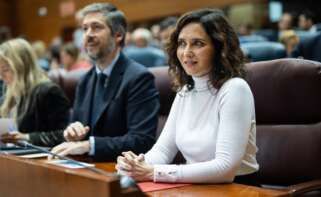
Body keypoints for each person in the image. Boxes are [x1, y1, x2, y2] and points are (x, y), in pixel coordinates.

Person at [116, 8, 259, 185]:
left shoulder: (236, 89)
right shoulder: (185, 91)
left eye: (198, 43)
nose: (186, 52)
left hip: (237, 188)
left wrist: (154, 172)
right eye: (182, 43)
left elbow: (225, 168)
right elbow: (163, 151)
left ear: (220, 48)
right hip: (195, 187)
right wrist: (136, 164)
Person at [50, 3, 160, 161]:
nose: (88, 35)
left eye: (96, 27)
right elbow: (76, 124)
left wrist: (89, 145)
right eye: (85, 28)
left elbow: (141, 141)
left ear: (118, 35)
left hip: (120, 172)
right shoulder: (84, 80)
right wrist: (72, 131)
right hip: (86, 168)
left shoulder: (139, 78)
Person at [0, 38, 70, 147]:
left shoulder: (48, 92)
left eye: (5, 70)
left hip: (39, 159)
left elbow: (65, 135)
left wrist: (27, 137)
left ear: (22, 67)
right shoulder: (8, 95)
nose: (1, 76)